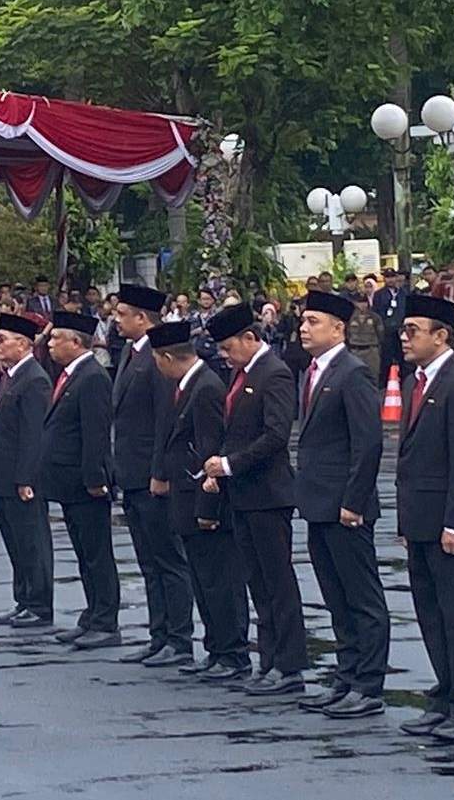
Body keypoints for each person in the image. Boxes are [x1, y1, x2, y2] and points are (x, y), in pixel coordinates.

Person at [291, 290, 389, 720]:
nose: (304, 328)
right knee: (335, 597)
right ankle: (347, 675)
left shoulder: (352, 374)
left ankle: (368, 684)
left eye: (313, 321)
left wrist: (354, 501)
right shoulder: (312, 372)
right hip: (317, 503)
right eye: (303, 321)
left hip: (345, 506)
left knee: (361, 598)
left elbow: (367, 444)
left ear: (338, 329)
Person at [203, 303, 309, 697]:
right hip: (243, 494)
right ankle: (269, 659)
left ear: (251, 338)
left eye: (230, 348)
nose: (226, 357)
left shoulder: (274, 373)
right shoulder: (242, 374)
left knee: (278, 581)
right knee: (258, 583)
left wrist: (230, 465)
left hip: (268, 493)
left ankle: (290, 665)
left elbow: (275, 435)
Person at [396, 294, 454, 743]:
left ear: (440, 336)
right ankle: (445, 694)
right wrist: (406, 523)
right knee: (431, 615)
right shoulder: (416, 382)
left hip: (450, 522)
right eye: (403, 329)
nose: (404, 337)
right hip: (420, 519)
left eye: (413, 330)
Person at [148, 321, 248, 682]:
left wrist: (208, 509)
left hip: (203, 501)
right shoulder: (187, 386)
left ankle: (232, 652)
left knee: (220, 579)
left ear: (167, 357)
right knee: (204, 581)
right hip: (185, 497)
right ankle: (217, 649)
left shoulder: (204, 388)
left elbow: (210, 451)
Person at [111, 284, 193, 669]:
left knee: (168, 560)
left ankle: (179, 638)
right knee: (148, 561)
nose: (116, 320)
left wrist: (161, 472)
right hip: (131, 473)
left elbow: (166, 420)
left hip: (151, 475)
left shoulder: (158, 358)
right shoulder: (131, 353)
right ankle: (159, 634)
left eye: (122, 314)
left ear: (142, 318)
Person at [38, 311, 120, 650]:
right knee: (85, 553)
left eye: (57, 337)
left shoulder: (92, 377)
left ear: (76, 342)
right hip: (68, 482)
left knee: (98, 553)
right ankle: (92, 614)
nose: (51, 343)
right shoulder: (70, 375)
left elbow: (95, 434)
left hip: (85, 483)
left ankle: (106, 621)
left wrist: (94, 478)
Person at [0, 313, 54, 628]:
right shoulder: (13, 375)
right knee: (15, 542)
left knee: (31, 540)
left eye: (2, 340)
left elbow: (33, 434)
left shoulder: (34, 379)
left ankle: (39, 603)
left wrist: (26, 477)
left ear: (22, 344)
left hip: (19, 477)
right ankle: (23, 598)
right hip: (2, 475)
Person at [373, 268, 409, 387]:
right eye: (388, 277)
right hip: (386, 330)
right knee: (386, 358)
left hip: (400, 329)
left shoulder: (403, 293)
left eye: (392, 276)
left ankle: (405, 382)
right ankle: (384, 383)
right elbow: (376, 312)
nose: (391, 280)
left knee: (403, 357)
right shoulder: (379, 294)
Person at [346, 290, 384, 384]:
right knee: (354, 378)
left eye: (364, 302)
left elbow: (381, 334)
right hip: (354, 350)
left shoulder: (375, 317)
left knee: (373, 376)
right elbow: (346, 333)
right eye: (360, 302)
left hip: (371, 350)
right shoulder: (349, 317)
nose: (362, 305)